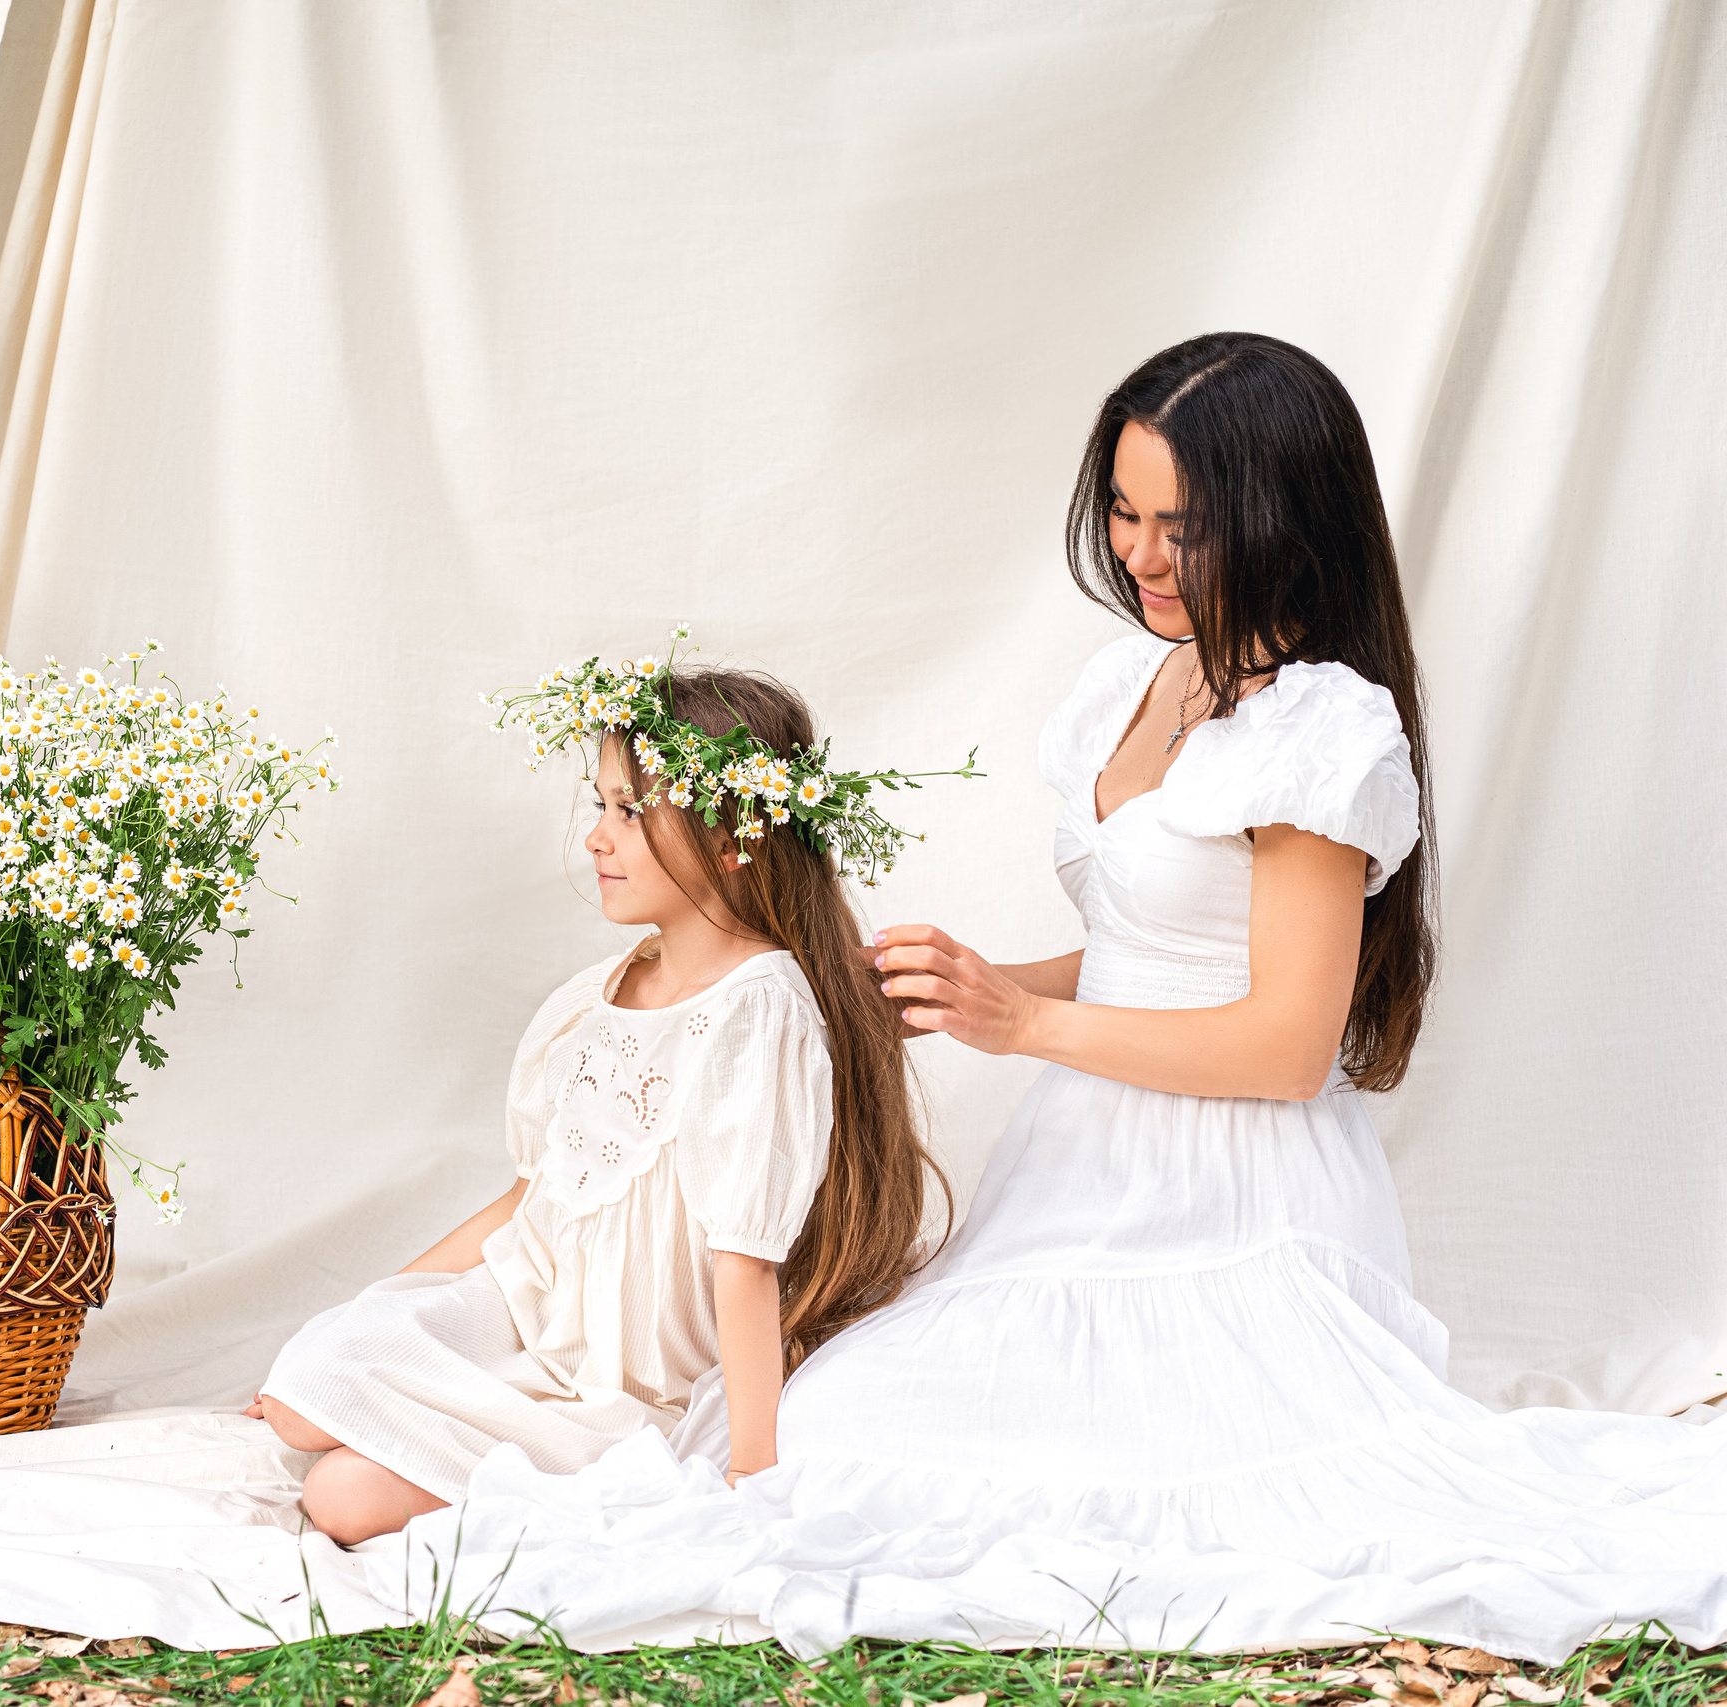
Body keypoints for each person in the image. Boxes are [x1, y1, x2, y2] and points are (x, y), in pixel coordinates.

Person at [392, 333, 1727, 1658]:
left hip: (1236, 1202)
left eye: (1183, 526)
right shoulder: (1131, 681)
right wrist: (964, 984)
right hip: (1081, 1168)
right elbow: (1154, 947)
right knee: (844, 1426)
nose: (1142, 555)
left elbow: (1282, 1039)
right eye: (1127, 514)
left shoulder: (1321, 731)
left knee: (1079, 1492)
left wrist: (1022, 1023)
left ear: (1281, 519)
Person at [248, 652, 948, 1545]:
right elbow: (528, 1197)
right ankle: (399, 1401)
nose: (597, 837)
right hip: (534, 1313)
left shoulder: (757, 1009)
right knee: (306, 1395)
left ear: (733, 839)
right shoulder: (599, 994)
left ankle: (497, 1454)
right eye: (601, 805)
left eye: (630, 810)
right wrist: (380, 1304)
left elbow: (745, 1260)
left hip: (629, 1384)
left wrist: (751, 1468)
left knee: (340, 1497)